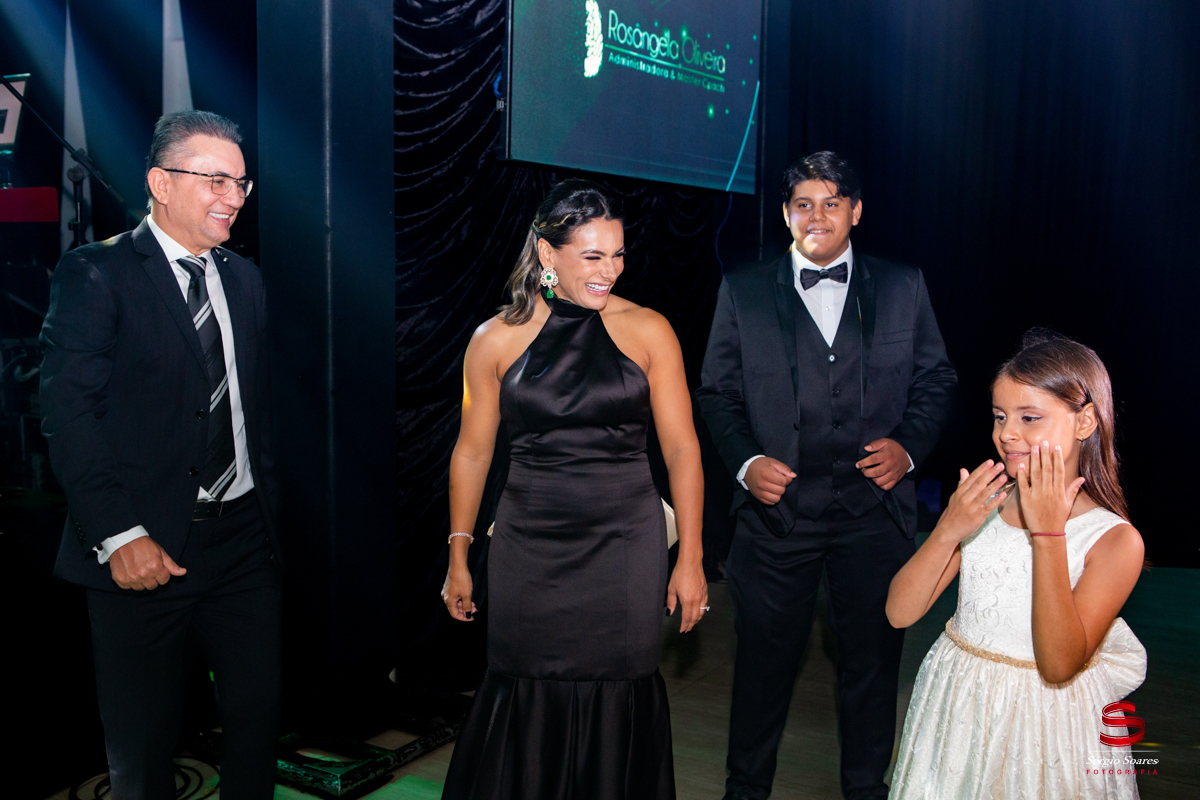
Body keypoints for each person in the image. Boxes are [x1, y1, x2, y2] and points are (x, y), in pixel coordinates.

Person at [696, 151, 957, 800]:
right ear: (786, 214)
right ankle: (744, 793)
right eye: (803, 204)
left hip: (874, 518)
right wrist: (747, 463)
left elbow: (936, 379)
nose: (817, 216)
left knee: (871, 671)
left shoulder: (903, 286)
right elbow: (717, 394)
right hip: (777, 521)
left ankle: (867, 792)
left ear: (856, 211)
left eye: (832, 203)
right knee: (761, 672)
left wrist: (908, 448)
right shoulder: (743, 289)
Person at [439, 179, 707, 800]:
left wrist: (691, 557)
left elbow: (682, 450)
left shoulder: (649, 330)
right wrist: (458, 555)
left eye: (617, 254)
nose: (609, 270)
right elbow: (472, 452)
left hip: (625, 547)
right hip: (529, 548)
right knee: (522, 682)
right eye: (592, 256)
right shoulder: (493, 340)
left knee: (623, 685)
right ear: (546, 253)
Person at [40, 110, 281, 799]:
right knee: (142, 746)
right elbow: (67, 414)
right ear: (160, 183)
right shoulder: (97, 272)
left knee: (257, 727)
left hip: (244, 543)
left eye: (241, 183)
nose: (233, 197)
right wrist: (120, 535)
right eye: (215, 180)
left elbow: (252, 412)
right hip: (142, 549)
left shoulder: (246, 280)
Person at [887, 331, 1146, 799]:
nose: (1006, 433)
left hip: (1047, 723)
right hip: (960, 703)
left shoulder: (1114, 540)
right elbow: (898, 613)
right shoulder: (985, 505)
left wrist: (1048, 536)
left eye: (1029, 417)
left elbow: (1059, 664)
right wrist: (947, 530)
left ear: (1085, 421)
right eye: (999, 416)